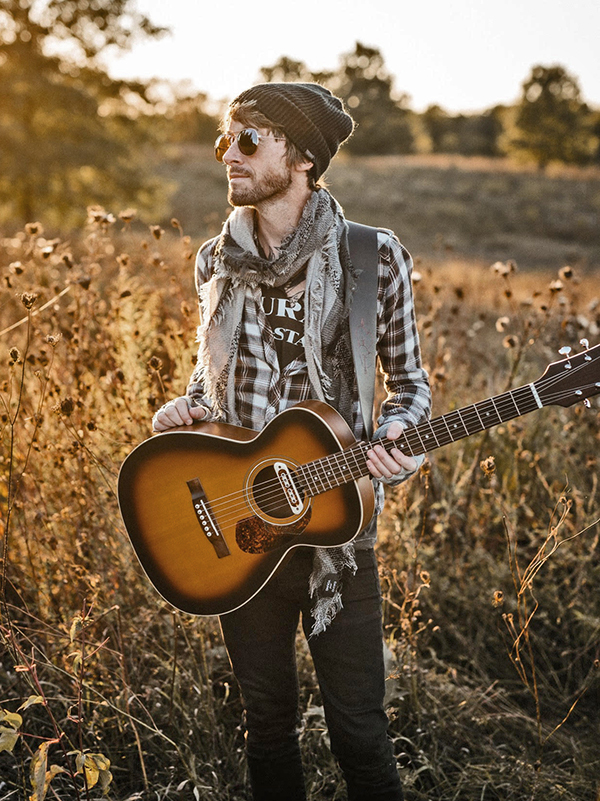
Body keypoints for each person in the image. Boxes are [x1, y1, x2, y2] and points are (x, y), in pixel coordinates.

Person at [152, 82, 431, 801]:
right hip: (240, 523)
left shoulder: (373, 257)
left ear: (303, 155)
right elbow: (210, 380)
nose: (229, 156)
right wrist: (183, 411)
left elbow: (410, 386)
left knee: (360, 733)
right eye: (225, 140)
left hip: (340, 525)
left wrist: (401, 433)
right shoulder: (216, 260)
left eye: (249, 140)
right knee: (265, 722)